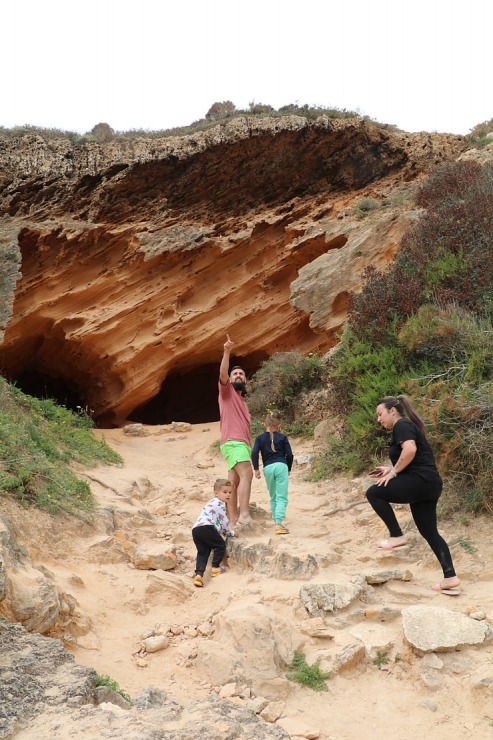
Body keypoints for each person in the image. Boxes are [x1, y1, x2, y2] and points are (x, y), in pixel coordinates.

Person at [366, 395, 461, 596]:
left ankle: (396, 535)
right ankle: (450, 577)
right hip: (429, 484)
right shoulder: (406, 427)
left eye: (380, 414)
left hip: (421, 481)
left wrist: (393, 473)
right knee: (430, 532)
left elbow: (410, 449)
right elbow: (413, 458)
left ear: (392, 411)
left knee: (374, 493)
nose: (378, 419)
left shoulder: (402, 425)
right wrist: (390, 469)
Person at [218, 334, 253, 527]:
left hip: (241, 445)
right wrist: (227, 351)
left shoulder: (243, 403)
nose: (238, 376)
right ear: (230, 380)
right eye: (235, 374)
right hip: (233, 442)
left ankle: (232, 520)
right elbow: (223, 373)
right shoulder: (227, 393)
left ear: (245, 379)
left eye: (241, 374)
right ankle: (245, 515)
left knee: (233, 483)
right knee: (246, 473)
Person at [251, 413, 294, 535]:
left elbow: (254, 453)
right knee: (282, 497)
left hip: (268, 468)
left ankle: (276, 519)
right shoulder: (282, 437)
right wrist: (288, 468)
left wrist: (256, 469)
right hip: (281, 466)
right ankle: (278, 524)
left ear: (264, 424)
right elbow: (289, 455)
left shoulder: (259, 438)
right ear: (278, 425)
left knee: (273, 496)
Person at [191, 478, 237, 587]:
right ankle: (215, 568)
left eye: (230, 492)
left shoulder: (211, 503)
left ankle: (199, 575)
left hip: (196, 529)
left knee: (203, 552)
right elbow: (223, 521)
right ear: (216, 493)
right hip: (207, 527)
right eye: (225, 492)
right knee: (220, 545)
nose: (228, 495)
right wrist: (231, 533)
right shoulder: (219, 503)